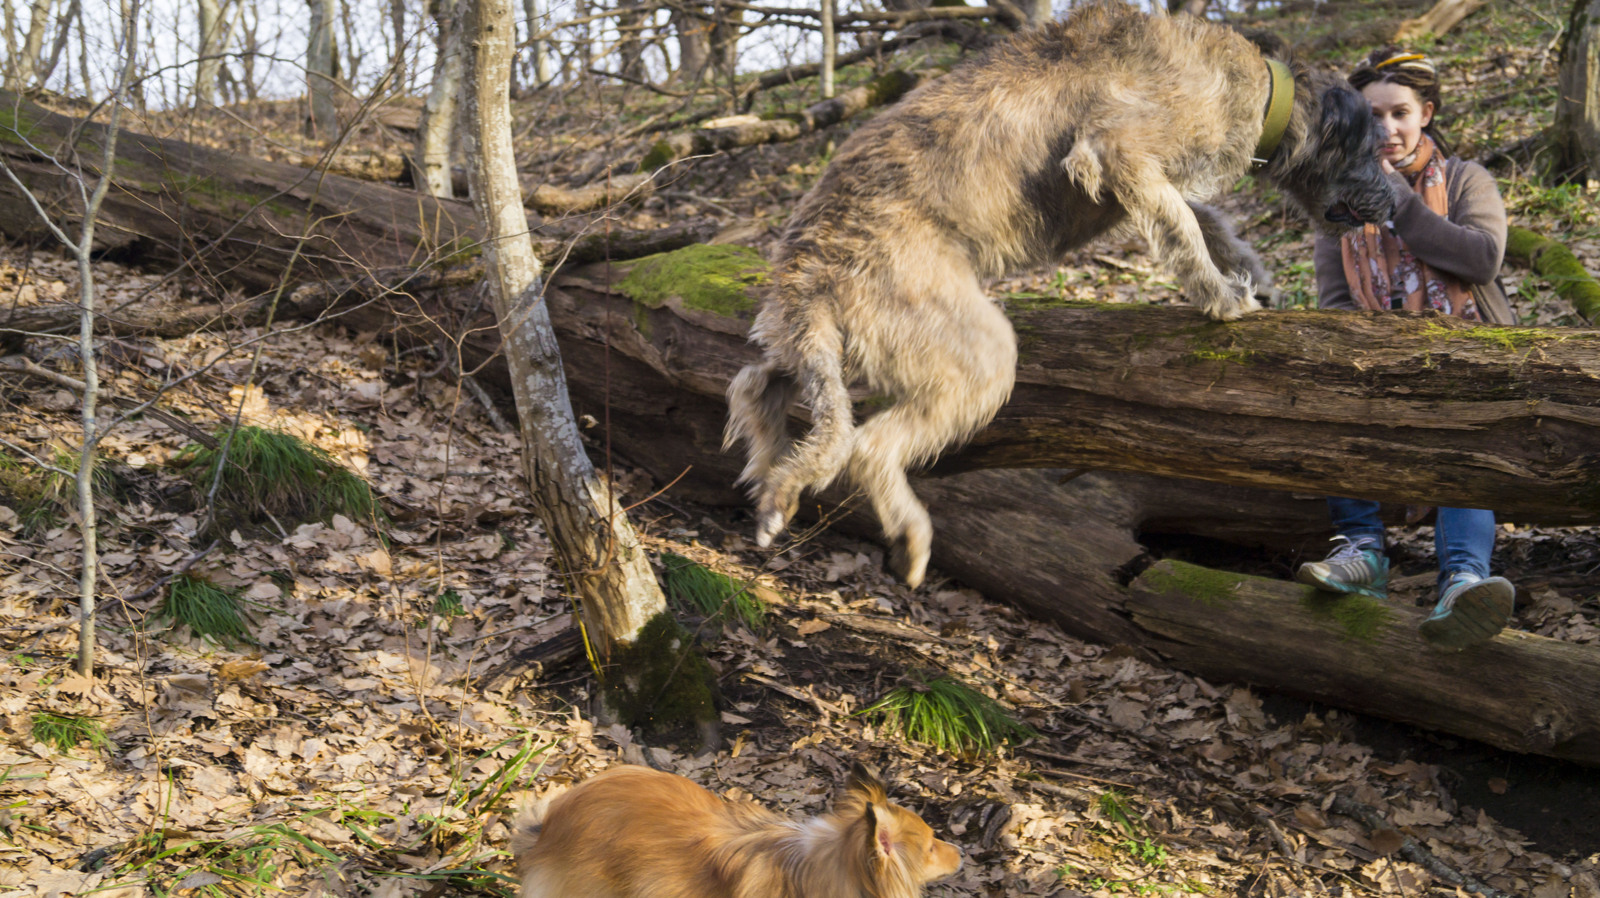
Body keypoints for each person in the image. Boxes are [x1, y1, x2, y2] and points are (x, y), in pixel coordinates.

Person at [1294, 48, 1517, 651]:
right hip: (1378, 365)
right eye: (1372, 118)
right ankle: (1362, 551)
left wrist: (1399, 200)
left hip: (1470, 357)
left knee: (1462, 428)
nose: (1387, 130)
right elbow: (1336, 303)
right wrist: (1370, 358)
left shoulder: (1469, 179)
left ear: (1426, 114)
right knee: (1334, 399)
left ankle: (1464, 580)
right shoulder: (1336, 207)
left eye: (1400, 114)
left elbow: (1481, 258)